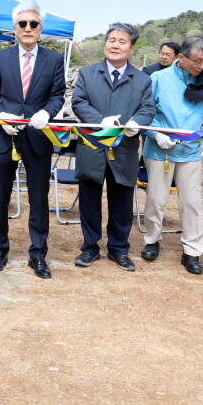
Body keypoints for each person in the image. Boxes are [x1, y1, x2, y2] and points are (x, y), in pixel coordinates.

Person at [0, 0, 66, 279]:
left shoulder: (54, 59)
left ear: (41, 29)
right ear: (14, 29)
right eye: (22, 24)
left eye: (33, 24)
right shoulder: (2, 57)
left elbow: (57, 95)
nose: (28, 28)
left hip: (38, 136)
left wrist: (47, 111)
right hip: (5, 136)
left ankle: (39, 254)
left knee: (39, 198)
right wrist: (1, 115)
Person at [70, 23, 157, 271]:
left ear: (131, 48)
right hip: (93, 146)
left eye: (122, 41)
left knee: (121, 202)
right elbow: (78, 102)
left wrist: (137, 123)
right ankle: (89, 248)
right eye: (111, 40)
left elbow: (148, 108)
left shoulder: (142, 80)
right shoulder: (87, 73)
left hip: (124, 149)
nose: (115, 45)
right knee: (89, 201)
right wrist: (100, 122)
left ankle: (119, 249)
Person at [141, 35, 203, 275]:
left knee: (191, 202)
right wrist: (155, 132)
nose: (201, 66)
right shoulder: (158, 78)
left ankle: (192, 250)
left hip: (190, 150)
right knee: (156, 199)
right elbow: (145, 110)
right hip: (160, 149)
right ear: (181, 57)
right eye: (196, 61)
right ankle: (151, 240)